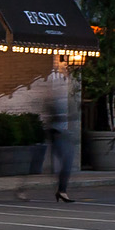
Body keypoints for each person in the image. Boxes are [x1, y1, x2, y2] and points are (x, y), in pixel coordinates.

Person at [40, 64, 78, 203]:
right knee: (66, 163)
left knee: (65, 163)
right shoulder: (53, 100)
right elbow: (53, 117)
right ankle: (62, 190)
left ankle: (62, 190)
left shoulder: (61, 98)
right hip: (57, 134)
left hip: (61, 133)